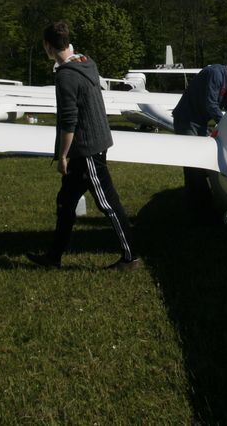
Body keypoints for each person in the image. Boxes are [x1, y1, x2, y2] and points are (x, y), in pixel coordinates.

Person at [26, 22, 139, 271]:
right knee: (65, 202)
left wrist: (62, 156)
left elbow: (69, 121)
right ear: (67, 42)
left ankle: (130, 258)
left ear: (48, 46)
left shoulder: (66, 76)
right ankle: (53, 257)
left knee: (108, 204)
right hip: (90, 145)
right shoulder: (87, 62)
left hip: (87, 149)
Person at [172, 65, 227, 209]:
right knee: (194, 165)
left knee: (200, 162)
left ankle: (197, 200)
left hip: (200, 122)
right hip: (187, 120)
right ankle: (200, 206)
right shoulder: (216, 74)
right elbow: (211, 104)